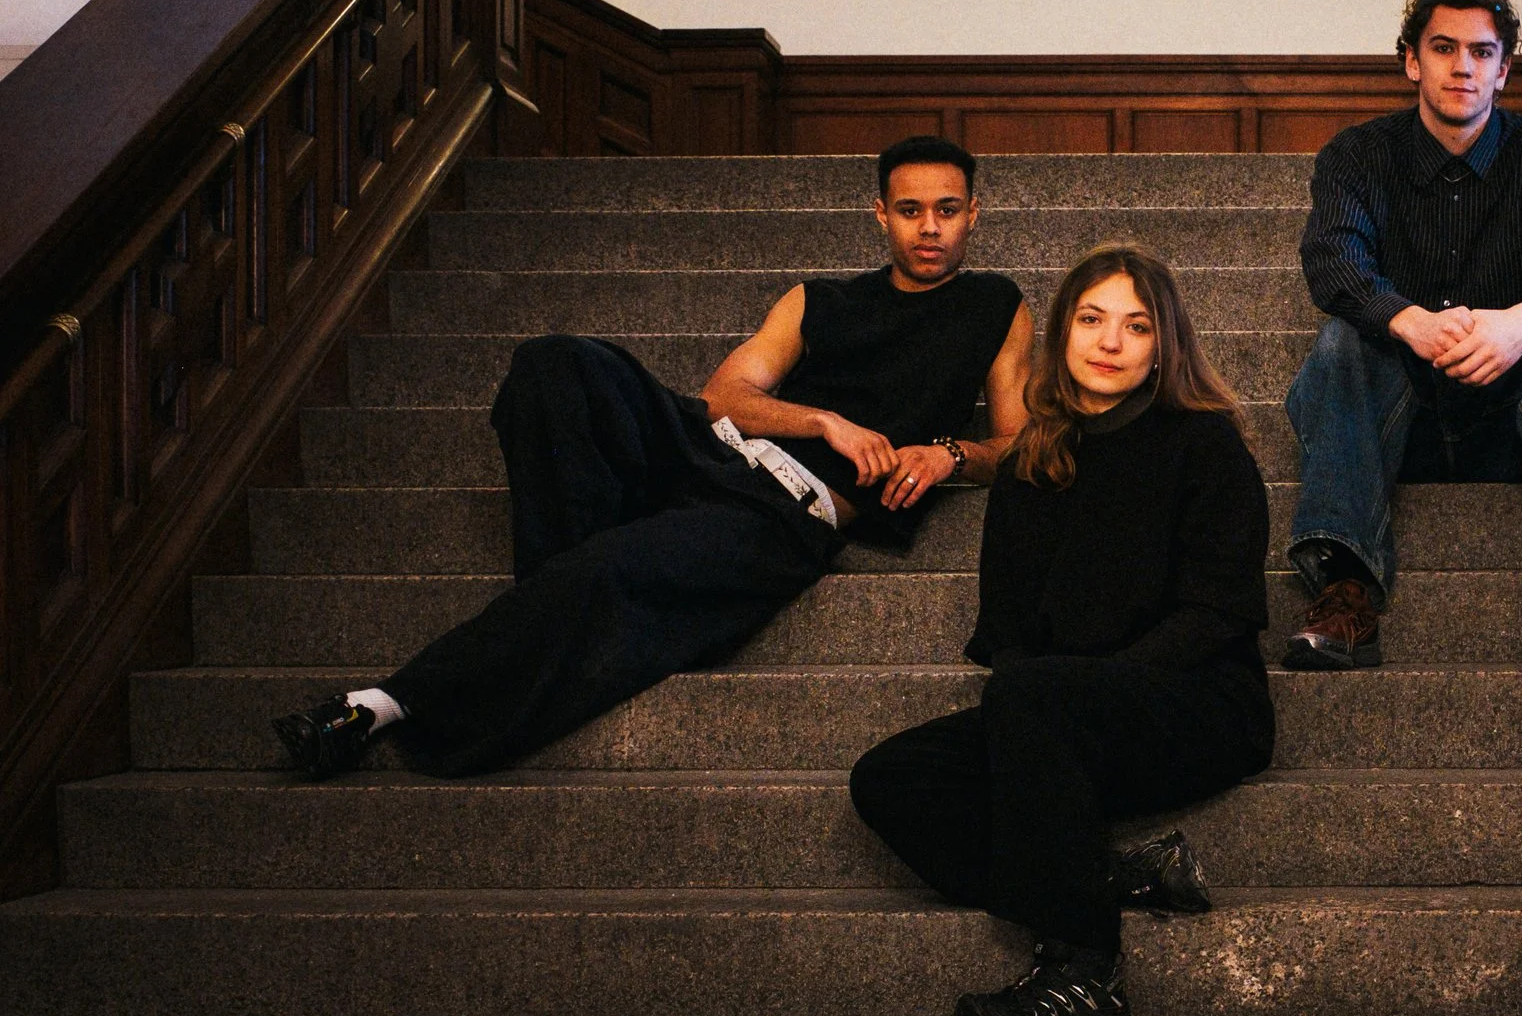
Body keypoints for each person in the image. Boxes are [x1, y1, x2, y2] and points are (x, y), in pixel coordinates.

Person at [271, 135, 1031, 778]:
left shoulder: (996, 305)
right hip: (708, 450)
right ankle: (561, 613)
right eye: (910, 210)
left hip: (783, 511)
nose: (929, 228)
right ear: (880, 214)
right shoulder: (817, 301)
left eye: (947, 210)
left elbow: (1015, 443)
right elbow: (723, 396)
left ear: (974, 213)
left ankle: (380, 705)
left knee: (604, 570)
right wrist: (825, 421)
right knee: (555, 364)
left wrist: (949, 454)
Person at [849, 244, 1274, 1016]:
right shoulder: (1029, 464)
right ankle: (1106, 873)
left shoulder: (1204, 444)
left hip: (1199, 703)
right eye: (1091, 319)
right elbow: (1009, 635)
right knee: (891, 778)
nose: (1110, 341)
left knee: (1036, 696)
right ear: (1062, 333)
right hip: (1057, 712)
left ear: (1164, 347)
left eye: (1136, 326)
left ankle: (1084, 970)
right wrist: (1056, 711)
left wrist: (1088, 696)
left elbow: (1216, 614)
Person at [1284, 0, 1522, 672]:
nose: (1462, 67)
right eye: (1443, 48)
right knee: (1343, 339)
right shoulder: (1356, 156)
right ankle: (1344, 586)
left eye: (1481, 52)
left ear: (1503, 70)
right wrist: (1408, 319)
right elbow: (1332, 261)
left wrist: (1520, 324)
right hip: (1399, 419)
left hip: (1514, 419)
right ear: (1411, 61)